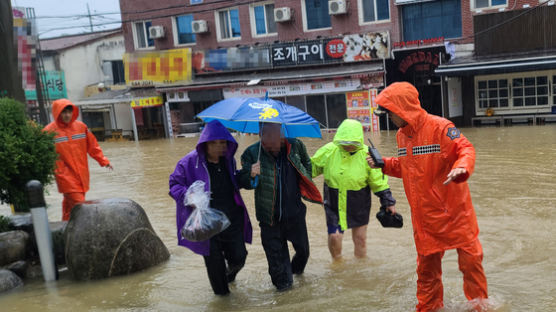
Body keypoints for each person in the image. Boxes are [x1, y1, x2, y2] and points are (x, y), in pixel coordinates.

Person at [370, 82, 488, 311]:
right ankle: (429, 308)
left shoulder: (443, 127)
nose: (390, 118)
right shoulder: (401, 136)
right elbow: (407, 166)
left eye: (391, 113)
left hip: (454, 213)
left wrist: (462, 167)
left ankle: (480, 307)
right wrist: (383, 164)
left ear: (403, 109)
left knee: (471, 264)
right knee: (426, 273)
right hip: (424, 219)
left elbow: (466, 148)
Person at [169, 120, 253, 296]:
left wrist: (249, 175)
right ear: (205, 144)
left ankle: (229, 276)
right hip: (205, 222)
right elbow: (174, 184)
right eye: (215, 143)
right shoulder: (189, 162)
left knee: (239, 257)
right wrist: (189, 196)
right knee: (215, 264)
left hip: (230, 218)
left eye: (223, 142)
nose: (220, 147)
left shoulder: (229, 161)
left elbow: (234, 182)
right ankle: (223, 300)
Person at [238, 122, 322, 291]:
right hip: (269, 219)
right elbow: (243, 182)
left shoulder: (295, 146)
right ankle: (285, 289)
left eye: (277, 136)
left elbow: (307, 164)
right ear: (261, 135)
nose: (273, 142)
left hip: (295, 214)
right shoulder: (252, 153)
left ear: (282, 133)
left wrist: (304, 181)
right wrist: (251, 174)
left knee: (303, 252)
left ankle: (296, 274)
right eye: (268, 137)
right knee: (278, 270)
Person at [311, 119, 397, 260]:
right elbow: (310, 169)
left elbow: (378, 181)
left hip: (359, 202)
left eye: (352, 144)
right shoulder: (328, 151)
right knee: (335, 236)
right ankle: (337, 263)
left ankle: (361, 268)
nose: (349, 146)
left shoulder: (367, 155)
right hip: (334, 202)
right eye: (345, 143)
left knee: (360, 239)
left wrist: (388, 201)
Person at [44, 99, 112, 221]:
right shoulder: (49, 132)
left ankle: (64, 231)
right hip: (64, 177)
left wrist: (103, 161)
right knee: (82, 208)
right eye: (63, 112)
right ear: (57, 113)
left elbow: (93, 146)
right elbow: (43, 154)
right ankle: (90, 235)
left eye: (69, 112)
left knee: (69, 210)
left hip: (81, 175)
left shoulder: (81, 127)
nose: (67, 115)